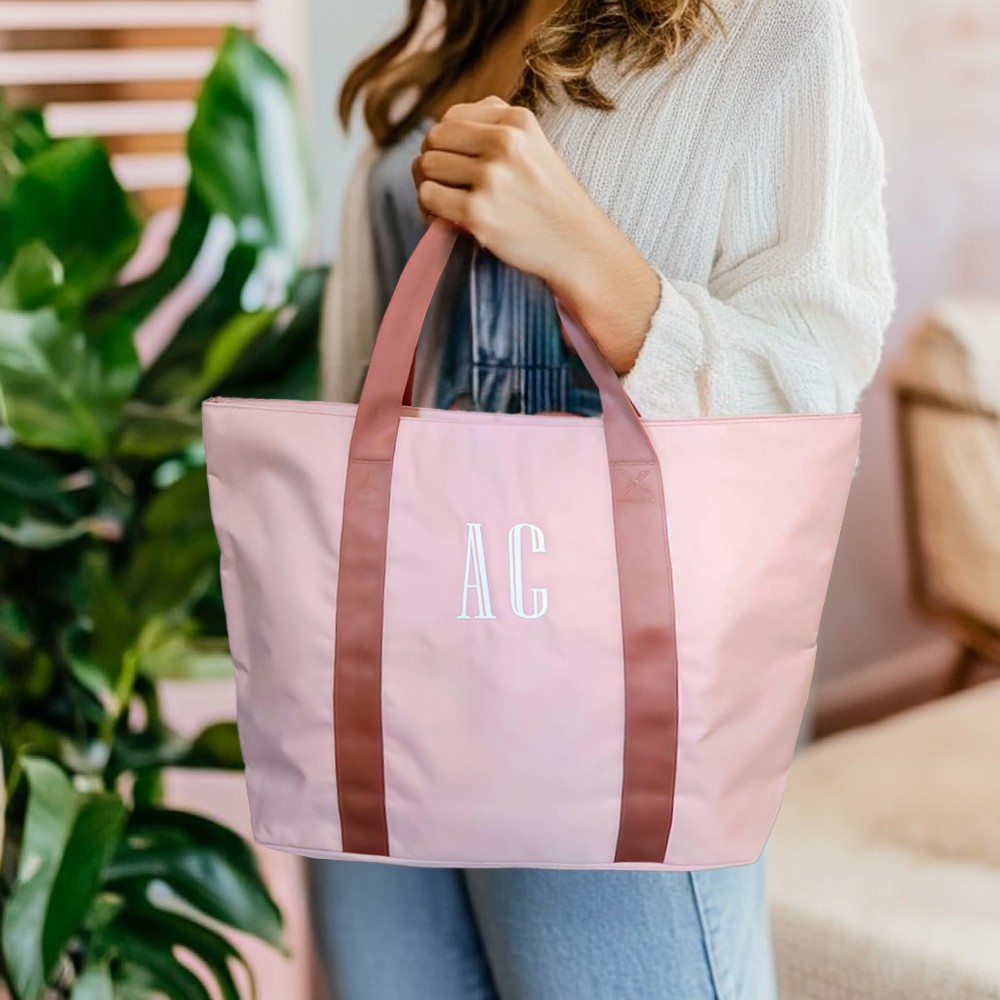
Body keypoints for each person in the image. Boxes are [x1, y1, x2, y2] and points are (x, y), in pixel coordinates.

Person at [312, 0, 896, 996]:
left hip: (595, 688)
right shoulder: (461, 26)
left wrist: (587, 253)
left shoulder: (771, 25)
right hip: (384, 667)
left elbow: (809, 389)